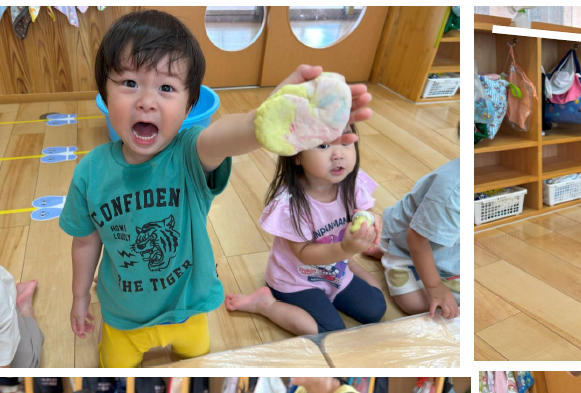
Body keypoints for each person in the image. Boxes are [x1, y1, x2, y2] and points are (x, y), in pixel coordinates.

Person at [60, 10, 373, 366]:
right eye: (129, 83)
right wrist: (80, 295)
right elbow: (85, 241)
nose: (146, 101)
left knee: (197, 364)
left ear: (189, 106)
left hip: (189, 309)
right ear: (104, 92)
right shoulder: (89, 172)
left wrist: (266, 118)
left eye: (166, 88)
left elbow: (228, 137)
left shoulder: (190, 154)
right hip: (123, 316)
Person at [223, 130, 387, 334]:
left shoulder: (353, 183)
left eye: (346, 143)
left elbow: (364, 210)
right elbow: (304, 254)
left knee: (376, 310)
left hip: (335, 270)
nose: (338, 155)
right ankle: (265, 304)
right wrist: (345, 249)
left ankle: (350, 265)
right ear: (297, 155)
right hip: (295, 279)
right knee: (330, 331)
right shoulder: (290, 203)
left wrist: (372, 219)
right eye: (323, 146)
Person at [378, 157, 461, 319]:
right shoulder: (454, 190)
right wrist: (435, 287)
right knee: (414, 304)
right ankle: (387, 251)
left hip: (445, 247)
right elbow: (416, 240)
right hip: (406, 246)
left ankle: (383, 250)